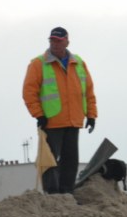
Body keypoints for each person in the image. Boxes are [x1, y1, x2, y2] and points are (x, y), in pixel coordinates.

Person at [23, 26, 98, 194]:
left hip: (73, 120)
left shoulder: (78, 63)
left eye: (58, 41)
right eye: (52, 41)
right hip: (51, 121)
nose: (55, 44)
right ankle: (52, 194)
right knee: (49, 160)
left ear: (66, 42)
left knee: (70, 160)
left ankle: (66, 193)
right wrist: (39, 115)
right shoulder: (38, 64)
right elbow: (29, 92)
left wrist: (91, 115)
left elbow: (88, 91)